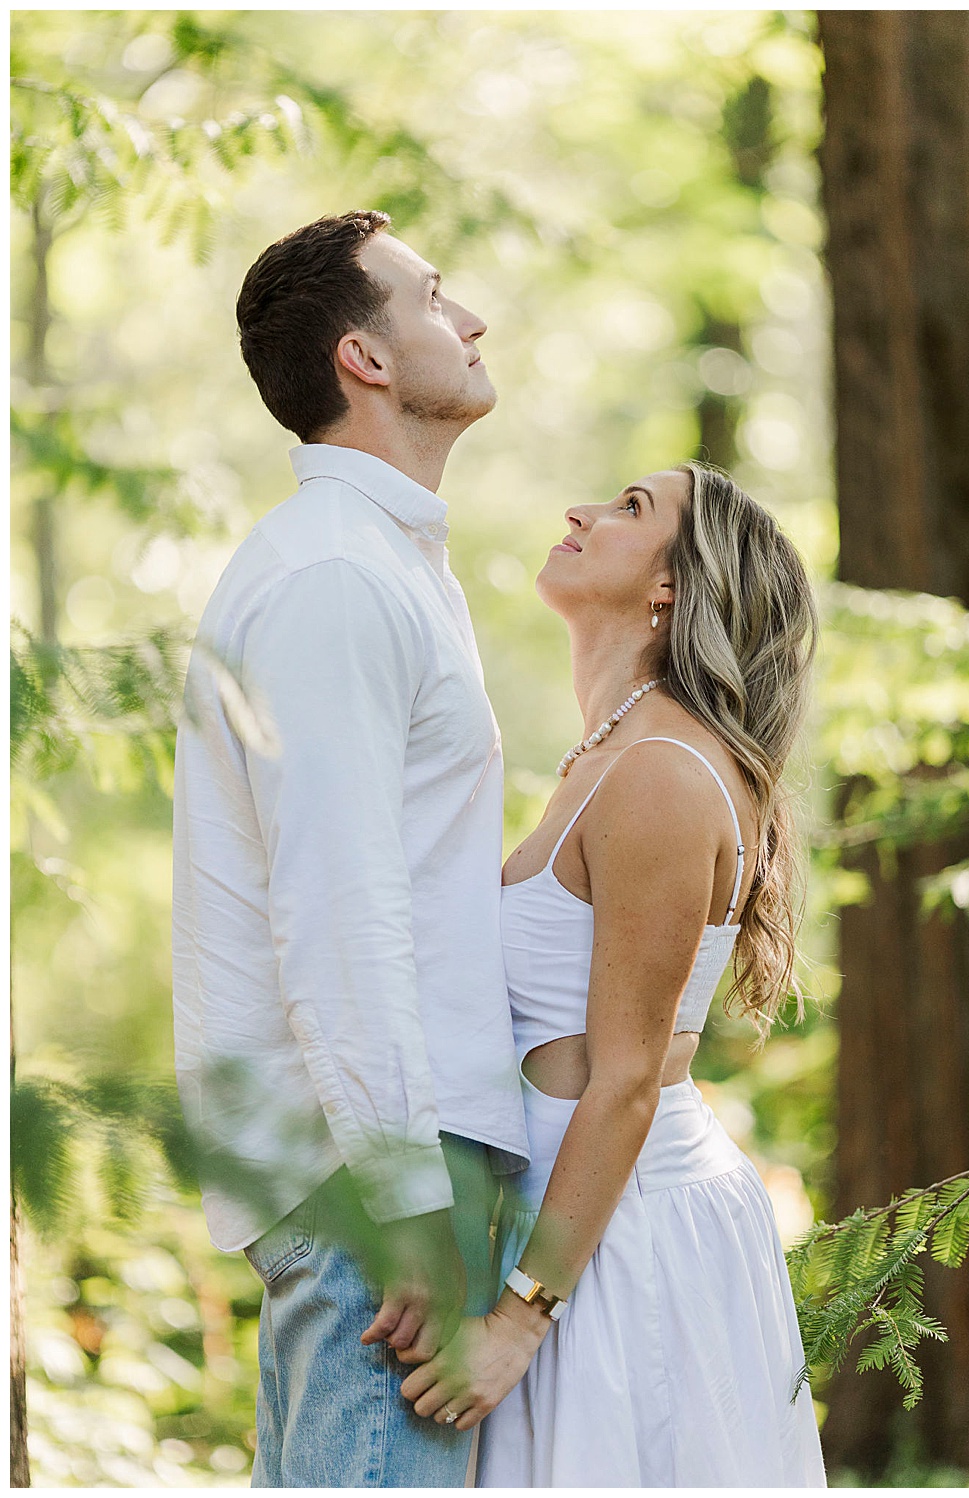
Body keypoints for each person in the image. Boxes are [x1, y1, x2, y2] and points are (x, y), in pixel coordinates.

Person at [173, 210, 529, 1485]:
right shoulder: (334, 575)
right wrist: (408, 1208)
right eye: (434, 297)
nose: (472, 318)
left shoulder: (385, 560)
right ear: (363, 359)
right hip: (377, 1178)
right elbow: (336, 906)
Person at [396, 463, 828, 1487]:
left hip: (620, 1232)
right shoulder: (611, 752)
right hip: (570, 1208)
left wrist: (518, 1318)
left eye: (630, 508)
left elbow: (626, 1074)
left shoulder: (661, 774)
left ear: (671, 586)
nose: (578, 510)